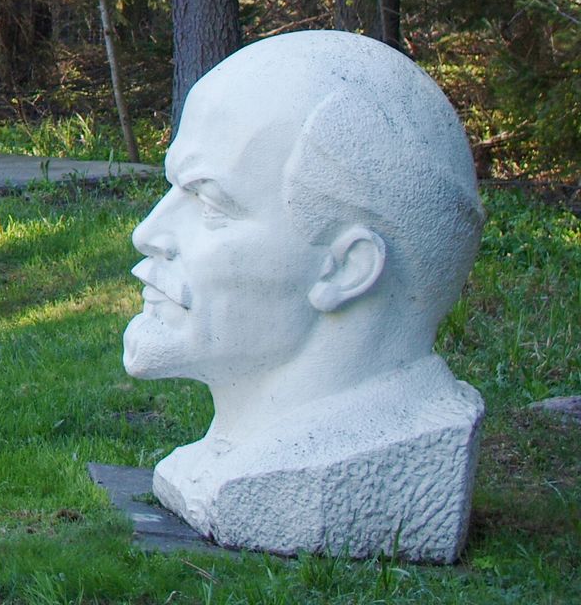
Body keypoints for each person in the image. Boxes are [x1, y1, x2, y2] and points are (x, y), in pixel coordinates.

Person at [124, 30, 485, 561]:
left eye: (209, 203)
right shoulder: (218, 461)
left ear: (345, 269)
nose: (148, 232)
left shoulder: (375, 458)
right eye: (174, 188)